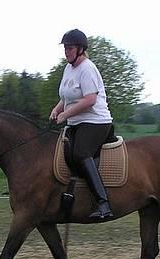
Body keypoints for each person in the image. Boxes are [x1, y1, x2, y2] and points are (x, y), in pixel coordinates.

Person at [49, 29, 114, 219]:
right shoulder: (68, 68)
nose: (66, 51)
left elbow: (90, 99)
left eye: (70, 48)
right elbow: (67, 96)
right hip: (76, 122)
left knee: (80, 153)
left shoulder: (88, 68)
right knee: (61, 152)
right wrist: (57, 109)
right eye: (65, 48)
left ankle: (103, 204)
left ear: (80, 49)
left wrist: (66, 114)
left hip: (96, 121)